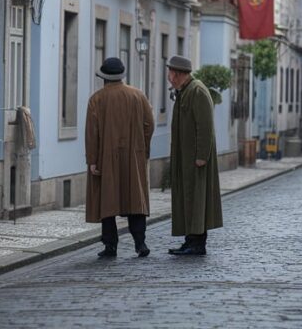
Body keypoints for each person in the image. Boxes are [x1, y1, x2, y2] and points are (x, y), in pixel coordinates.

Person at [85, 57, 156, 258]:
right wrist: (143, 150)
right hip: (134, 157)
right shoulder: (138, 96)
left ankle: (110, 246)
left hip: (106, 159)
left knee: (107, 202)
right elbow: (149, 124)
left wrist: (92, 160)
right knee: (135, 201)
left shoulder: (96, 99)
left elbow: (92, 133)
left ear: (104, 78)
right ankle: (140, 243)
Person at [166, 55, 223, 255]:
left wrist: (201, 156)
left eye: (170, 72)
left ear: (177, 74)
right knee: (187, 199)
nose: (168, 76)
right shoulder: (185, 91)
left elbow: (205, 127)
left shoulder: (197, 91)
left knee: (197, 199)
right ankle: (190, 239)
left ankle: (197, 243)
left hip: (196, 159)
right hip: (185, 158)